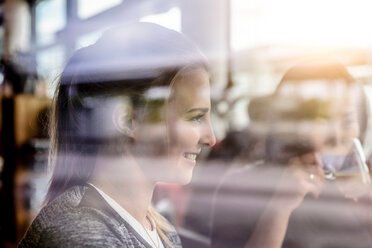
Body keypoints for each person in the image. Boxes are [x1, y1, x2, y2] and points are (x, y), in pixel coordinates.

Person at [19, 22, 216, 248]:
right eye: (195, 117)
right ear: (128, 120)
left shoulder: (161, 229)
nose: (211, 138)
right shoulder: (81, 234)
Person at [210, 59, 372, 248]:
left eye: (347, 120)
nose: (336, 135)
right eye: (323, 121)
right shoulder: (241, 187)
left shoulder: (362, 185)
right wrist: (279, 209)